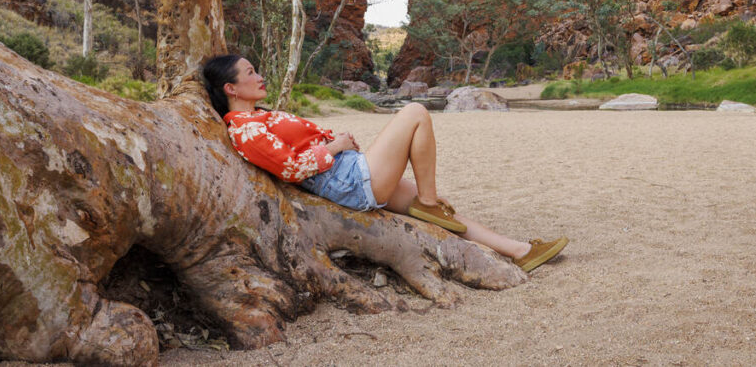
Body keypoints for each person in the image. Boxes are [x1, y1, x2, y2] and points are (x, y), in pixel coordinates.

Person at [202, 54, 567, 272]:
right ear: (231, 89)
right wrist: (335, 145)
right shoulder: (243, 129)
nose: (259, 75)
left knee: (446, 214)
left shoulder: (257, 117)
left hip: (349, 172)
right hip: (346, 181)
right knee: (415, 111)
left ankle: (520, 251)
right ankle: (428, 201)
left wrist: (334, 145)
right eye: (250, 72)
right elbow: (290, 168)